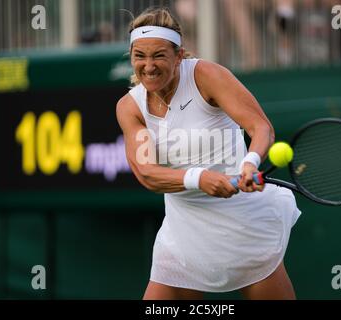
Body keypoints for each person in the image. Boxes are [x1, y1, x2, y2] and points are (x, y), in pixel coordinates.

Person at [116, 7, 301, 300]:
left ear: (179, 56)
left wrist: (251, 162)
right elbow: (148, 174)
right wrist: (199, 178)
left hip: (242, 227)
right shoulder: (129, 107)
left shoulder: (206, 75)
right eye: (140, 56)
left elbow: (260, 127)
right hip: (183, 236)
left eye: (159, 55)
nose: (148, 66)